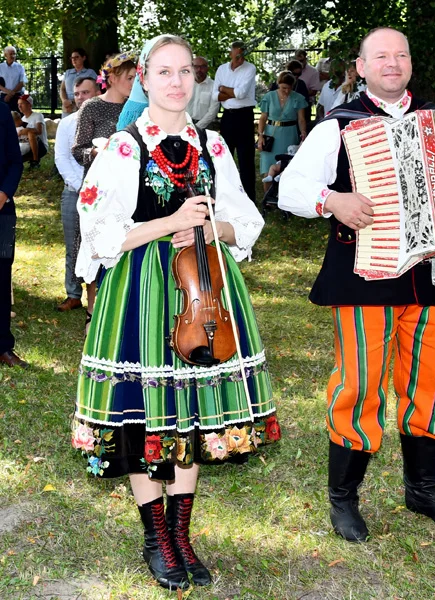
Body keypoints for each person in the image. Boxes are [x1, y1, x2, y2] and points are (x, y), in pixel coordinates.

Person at [279, 26, 435, 542]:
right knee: (359, 384)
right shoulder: (338, 125)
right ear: (360, 67)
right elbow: (290, 187)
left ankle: (422, 491)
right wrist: (331, 201)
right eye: (380, 56)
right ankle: (345, 498)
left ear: (410, 64)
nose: (391, 63)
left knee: (432, 383)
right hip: (364, 278)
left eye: (400, 55)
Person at [70, 34, 279, 591]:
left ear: (195, 77)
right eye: (164, 72)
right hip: (140, 290)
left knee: (192, 407)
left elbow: (246, 223)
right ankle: (154, 537)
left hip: (203, 289)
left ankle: (182, 534)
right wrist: (169, 223)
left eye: (185, 71)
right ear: (143, 77)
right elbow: (98, 234)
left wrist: (209, 226)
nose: (176, 82)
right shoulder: (122, 148)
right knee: (143, 410)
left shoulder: (213, 147)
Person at [72, 52, 136, 331]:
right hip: (98, 189)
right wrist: (99, 152)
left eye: (137, 78)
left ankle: (121, 307)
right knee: (97, 245)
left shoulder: (139, 109)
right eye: (130, 78)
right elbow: (78, 150)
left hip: (129, 188)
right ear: (112, 77)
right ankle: (92, 309)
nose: (135, 83)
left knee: (125, 244)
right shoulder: (92, 108)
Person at [54, 76, 100, 312]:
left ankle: (101, 295)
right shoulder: (67, 123)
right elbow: (61, 158)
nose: (81, 97)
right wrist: (81, 186)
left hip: (102, 196)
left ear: (98, 92)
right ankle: (73, 294)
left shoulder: (107, 121)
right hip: (73, 193)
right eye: (77, 93)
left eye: (86, 92)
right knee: (73, 244)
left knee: (101, 244)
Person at [213, 41, 257, 201]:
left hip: (244, 116)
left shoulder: (250, 68)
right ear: (231, 53)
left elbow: (241, 93)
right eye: (236, 55)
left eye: (242, 55)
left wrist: (223, 88)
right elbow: (214, 96)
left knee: (246, 160)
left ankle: (249, 199)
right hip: (228, 117)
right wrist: (229, 92)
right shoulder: (222, 69)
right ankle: (225, 197)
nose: (239, 58)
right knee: (225, 158)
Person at [0, 96, 24, 367]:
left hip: (2, 209)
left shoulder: (2, 112)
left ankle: (3, 346)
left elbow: (15, 162)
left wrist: (4, 193)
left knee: (1, 277)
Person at [258, 71, 307, 193]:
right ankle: (267, 198)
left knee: (287, 166)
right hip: (271, 134)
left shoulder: (298, 98)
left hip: (289, 134)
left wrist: (303, 132)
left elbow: (301, 119)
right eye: (283, 87)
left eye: (289, 88)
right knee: (268, 166)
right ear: (278, 84)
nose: (286, 91)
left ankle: (285, 197)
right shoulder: (269, 97)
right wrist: (260, 135)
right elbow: (263, 117)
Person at [60, 48, 98, 115]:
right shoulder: (68, 72)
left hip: (83, 105)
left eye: (77, 57)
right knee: (67, 124)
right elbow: (62, 89)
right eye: (72, 58)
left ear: (83, 58)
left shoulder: (90, 72)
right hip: (68, 107)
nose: (74, 59)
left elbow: (96, 89)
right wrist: (64, 100)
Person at [186, 55, 219, 129]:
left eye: (202, 66)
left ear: (207, 68)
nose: (199, 69)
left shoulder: (214, 86)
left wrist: (197, 127)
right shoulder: (184, 85)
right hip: (184, 125)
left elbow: (213, 111)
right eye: (196, 66)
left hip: (206, 127)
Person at [16, 94, 48, 168]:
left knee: (30, 133)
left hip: (41, 147)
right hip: (26, 145)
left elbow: (39, 131)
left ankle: (35, 161)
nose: (19, 106)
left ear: (29, 105)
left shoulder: (38, 115)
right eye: (18, 104)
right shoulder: (22, 119)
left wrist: (27, 130)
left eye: (22, 104)